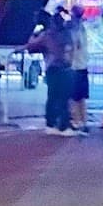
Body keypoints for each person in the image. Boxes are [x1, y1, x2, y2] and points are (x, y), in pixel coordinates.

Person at [25, 7, 75, 135]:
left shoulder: (47, 35)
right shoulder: (66, 34)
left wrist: (34, 35)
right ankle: (63, 125)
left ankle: (51, 124)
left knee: (53, 97)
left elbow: (31, 46)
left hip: (52, 68)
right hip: (65, 68)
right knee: (63, 98)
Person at [67, 16, 91, 133]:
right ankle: (84, 122)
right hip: (82, 68)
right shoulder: (83, 31)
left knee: (73, 98)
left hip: (74, 68)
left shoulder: (74, 33)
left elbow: (72, 50)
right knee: (81, 98)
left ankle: (76, 122)